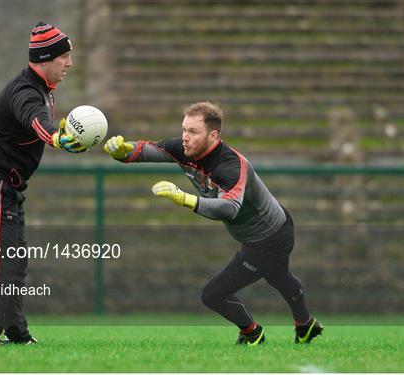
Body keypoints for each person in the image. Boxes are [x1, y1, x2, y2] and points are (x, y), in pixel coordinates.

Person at [104, 102, 323, 346]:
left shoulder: (229, 165)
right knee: (278, 276)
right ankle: (306, 325)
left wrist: (185, 199)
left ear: (213, 135)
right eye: (184, 129)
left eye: (193, 132)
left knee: (213, 295)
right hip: (268, 230)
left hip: (268, 238)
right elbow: (148, 150)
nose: (185, 137)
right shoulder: (184, 148)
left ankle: (252, 333)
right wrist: (124, 151)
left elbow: (229, 208)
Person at [0, 22, 85, 345]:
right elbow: (36, 121)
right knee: (0, 262)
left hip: (8, 186)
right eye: (64, 57)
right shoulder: (26, 91)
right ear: (45, 58)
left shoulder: (42, 89)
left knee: (15, 263)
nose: (69, 64)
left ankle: (18, 334)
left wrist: (58, 133)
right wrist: (58, 138)